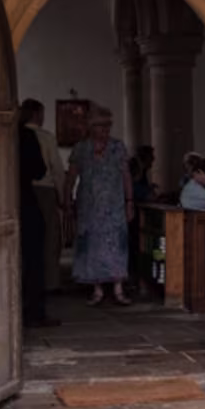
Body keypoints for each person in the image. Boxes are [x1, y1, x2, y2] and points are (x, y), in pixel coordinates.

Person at [65, 105, 133, 305]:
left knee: (115, 244)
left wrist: (130, 202)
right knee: (92, 244)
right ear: (90, 127)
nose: (105, 130)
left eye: (108, 125)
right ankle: (97, 289)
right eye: (100, 125)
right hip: (89, 206)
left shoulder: (117, 147)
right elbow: (71, 176)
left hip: (114, 206)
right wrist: (67, 199)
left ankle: (118, 288)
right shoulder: (81, 148)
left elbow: (126, 175)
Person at [20, 98, 65, 292]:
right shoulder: (45, 137)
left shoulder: (15, 135)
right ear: (37, 114)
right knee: (50, 237)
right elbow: (56, 168)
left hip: (22, 190)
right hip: (44, 189)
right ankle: (51, 282)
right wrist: (62, 196)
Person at [18, 110, 57, 327]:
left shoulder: (14, 135)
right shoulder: (27, 137)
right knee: (34, 256)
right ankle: (34, 310)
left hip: (5, 197)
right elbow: (39, 170)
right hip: (27, 198)